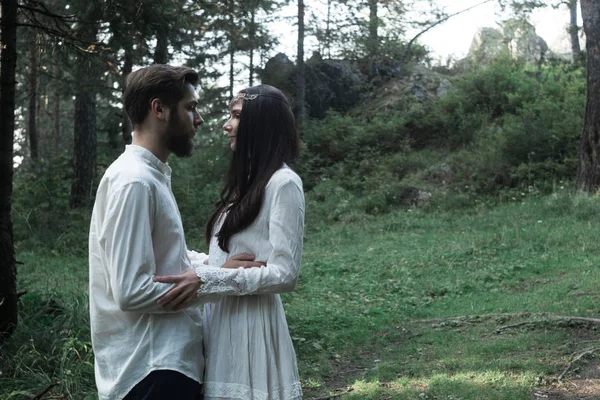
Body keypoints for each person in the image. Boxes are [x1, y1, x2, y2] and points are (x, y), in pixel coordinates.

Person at [88, 64, 263, 400]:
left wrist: (219, 267)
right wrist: (216, 281)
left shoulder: (149, 176)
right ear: (159, 109)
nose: (198, 120)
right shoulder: (135, 181)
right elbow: (130, 290)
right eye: (191, 107)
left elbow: (165, 259)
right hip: (153, 371)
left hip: (163, 368)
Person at [155, 84, 305, 400]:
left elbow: (285, 274)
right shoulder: (246, 185)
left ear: (260, 124)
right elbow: (221, 258)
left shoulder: (284, 183)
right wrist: (197, 266)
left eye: (236, 116)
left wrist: (212, 276)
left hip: (252, 328)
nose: (226, 124)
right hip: (222, 321)